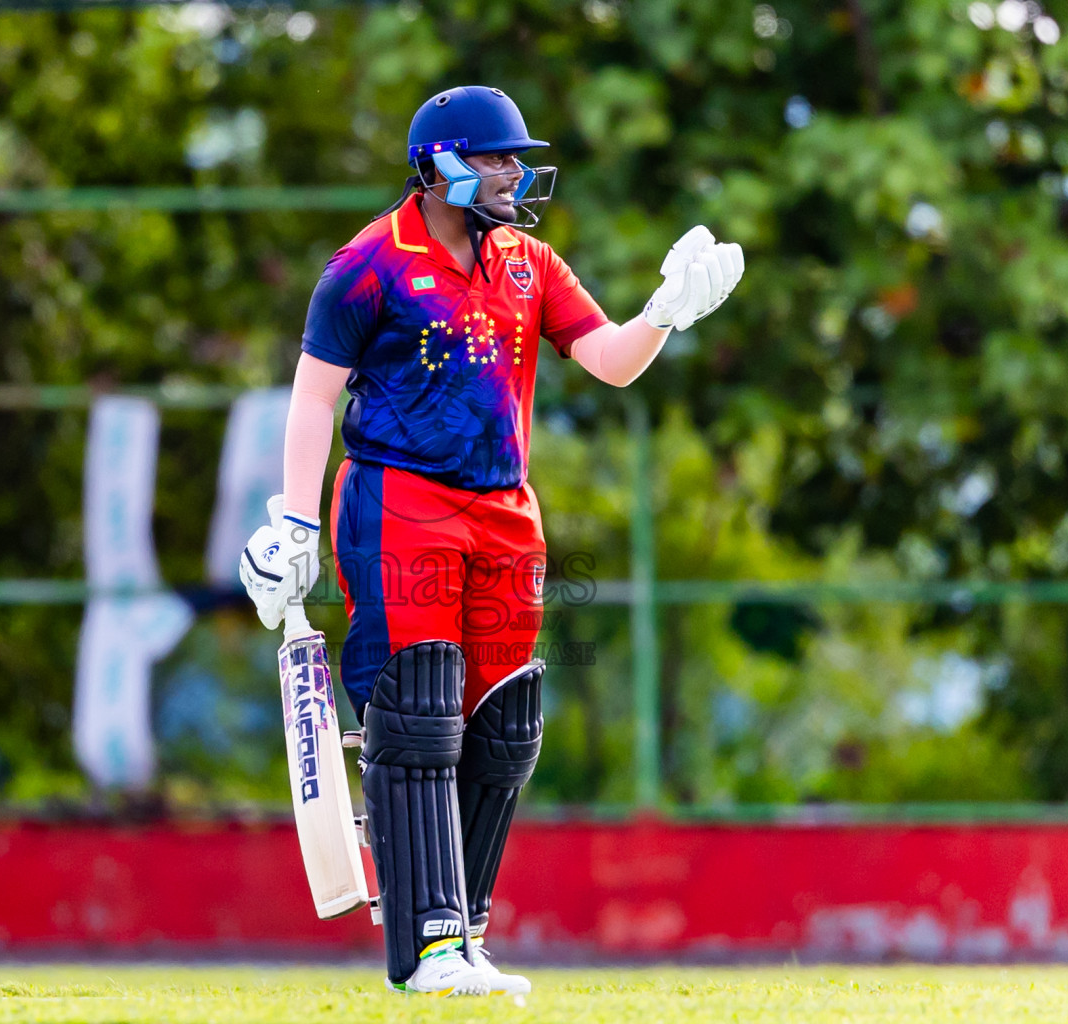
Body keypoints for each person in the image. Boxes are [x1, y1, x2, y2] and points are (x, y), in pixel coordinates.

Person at [241, 85, 743, 996]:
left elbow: (611, 362)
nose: (515, 173)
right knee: (418, 711)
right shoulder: (367, 263)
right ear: (439, 167)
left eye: (519, 158)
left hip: (506, 509)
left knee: (505, 727)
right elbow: (315, 394)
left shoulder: (529, 262)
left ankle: (463, 936)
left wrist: (667, 312)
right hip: (400, 497)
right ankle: (426, 946)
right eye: (498, 158)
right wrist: (294, 520)